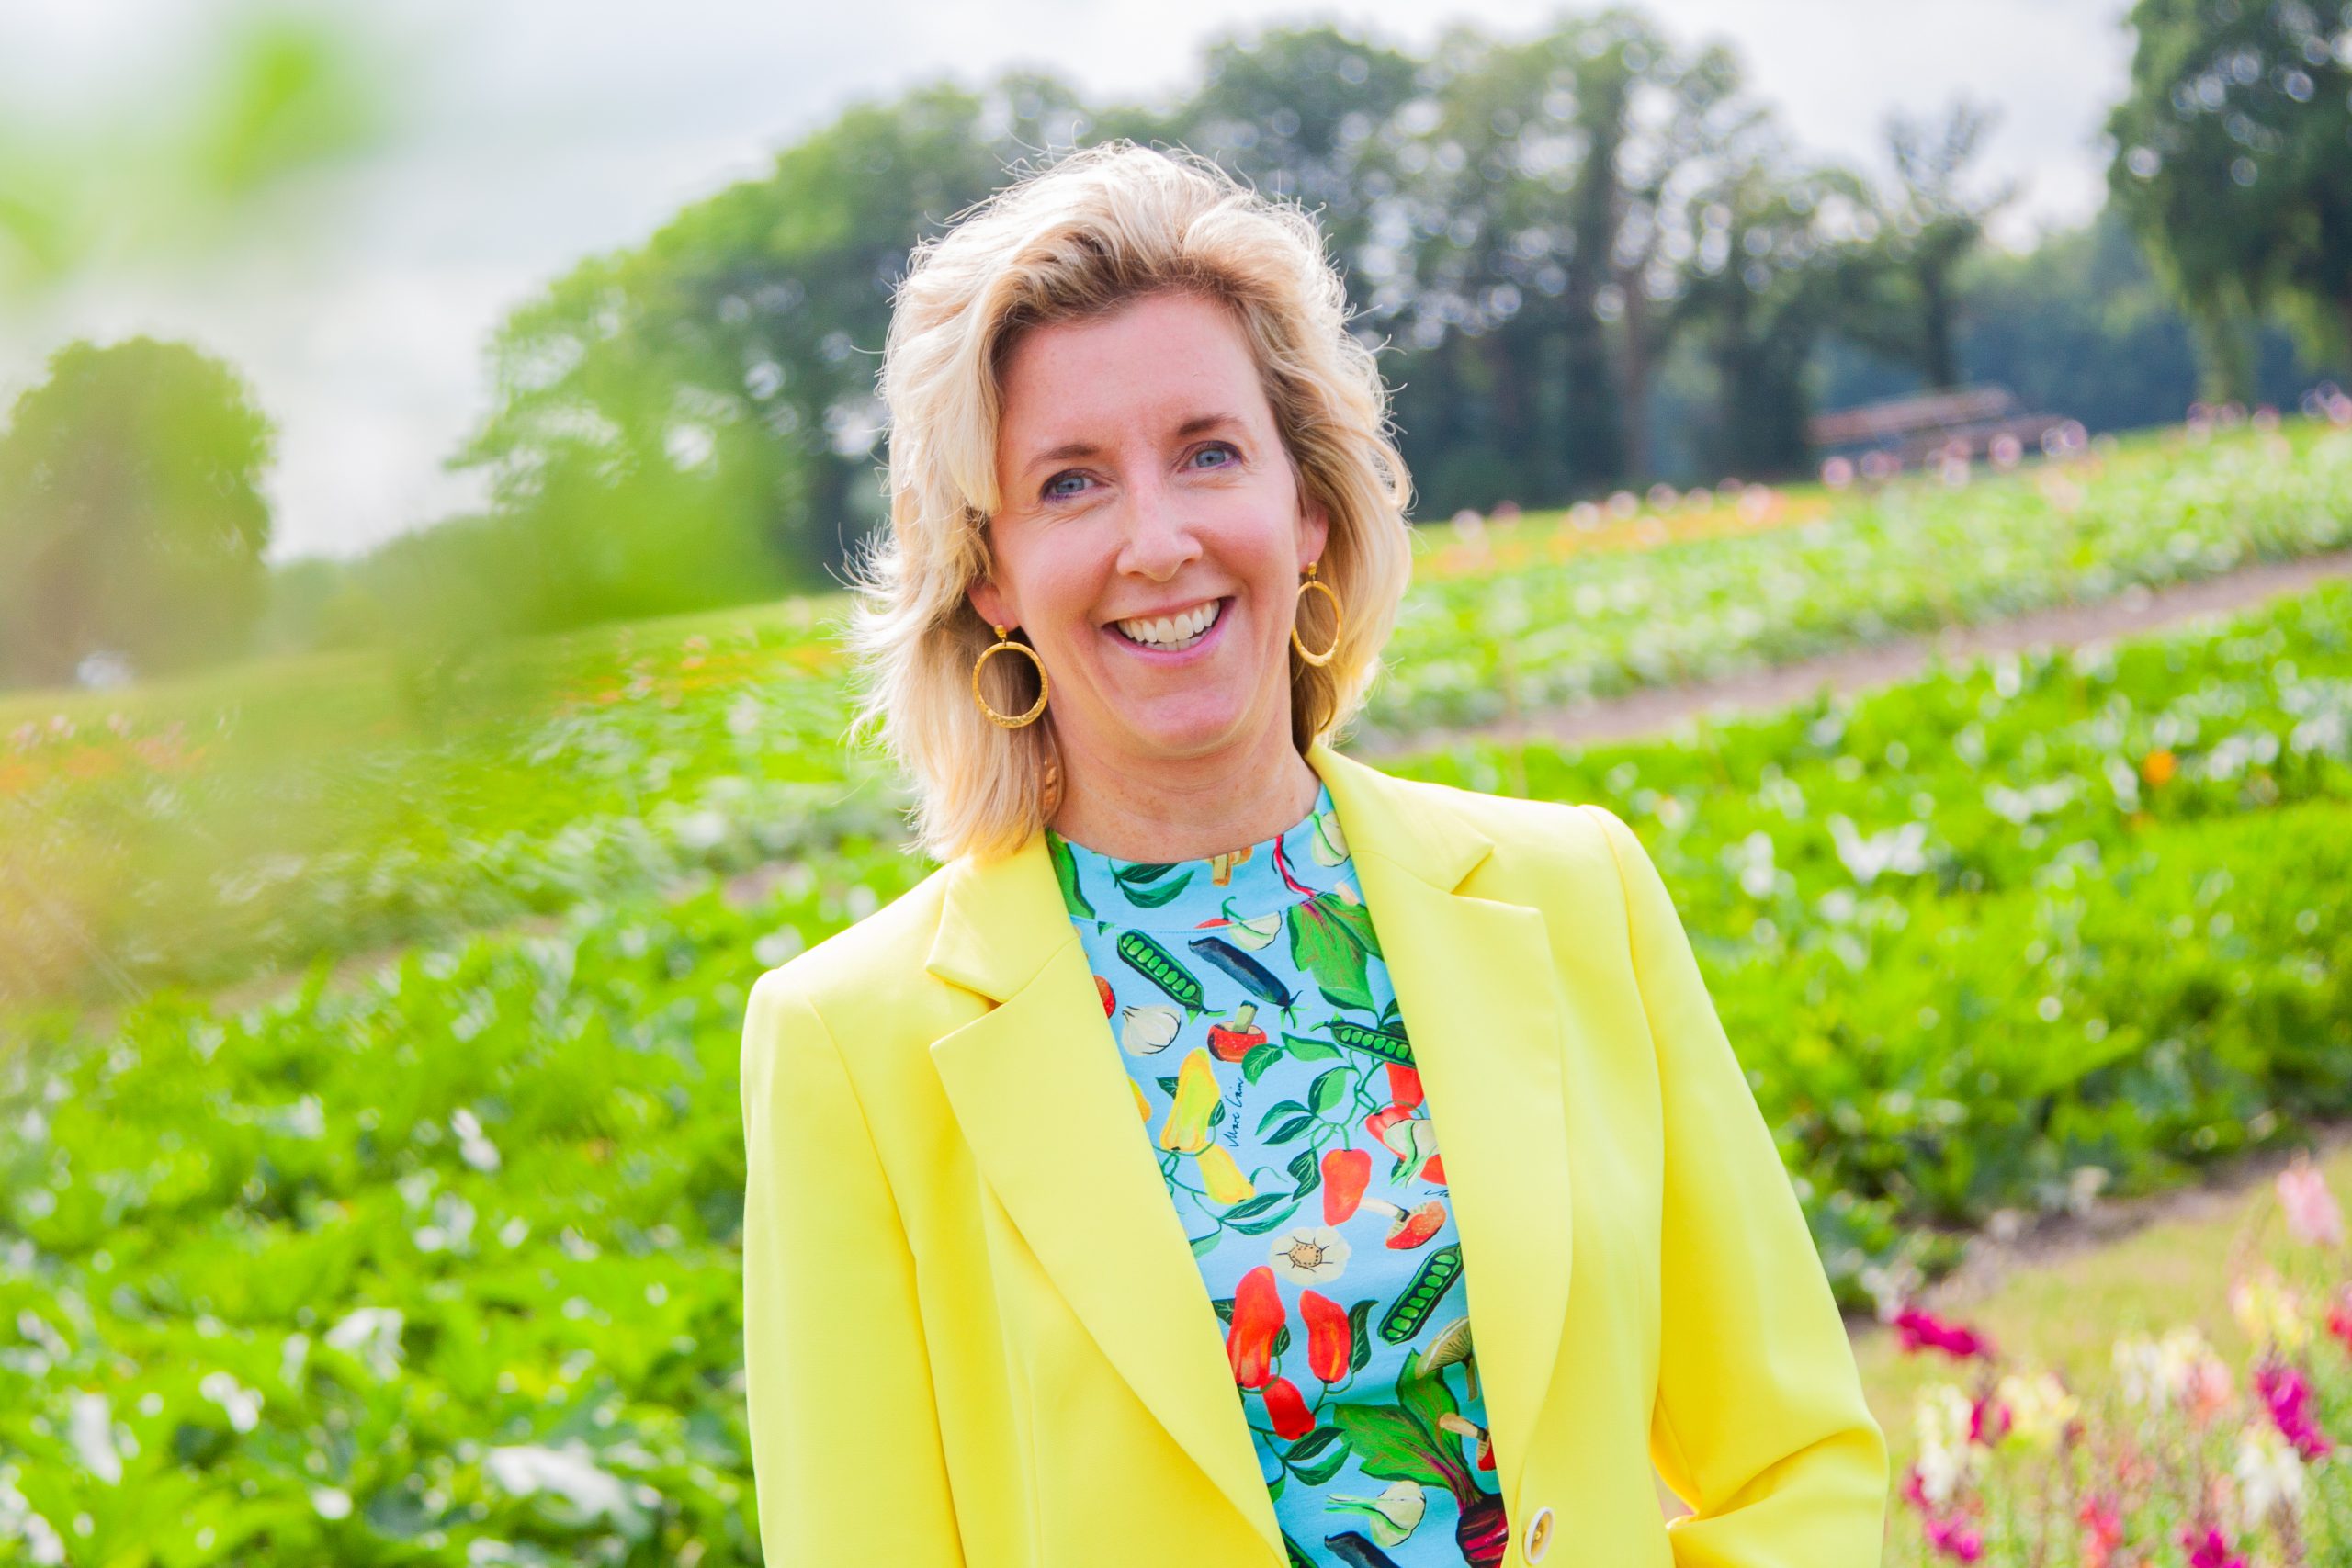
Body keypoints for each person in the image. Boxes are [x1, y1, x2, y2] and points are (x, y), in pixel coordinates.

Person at [738, 140, 1888, 1568]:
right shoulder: (850, 1050)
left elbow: (1798, 1464)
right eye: (1073, 483)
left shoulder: (1575, 892)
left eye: (1208, 453)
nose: (1158, 542)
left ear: (1309, 506)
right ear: (991, 571)